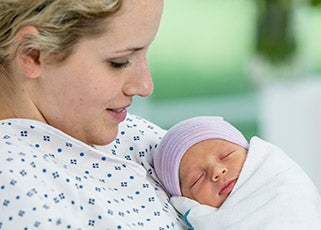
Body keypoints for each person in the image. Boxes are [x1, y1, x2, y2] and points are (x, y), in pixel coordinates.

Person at [0, 0, 186, 229]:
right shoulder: (17, 191)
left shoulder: (131, 133)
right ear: (32, 53)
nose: (145, 86)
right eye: (119, 62)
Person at [153, 116, 321, 229]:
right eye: (197, 178)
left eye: (227, 156)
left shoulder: (281, 179)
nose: (217, 171)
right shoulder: (204, 218)